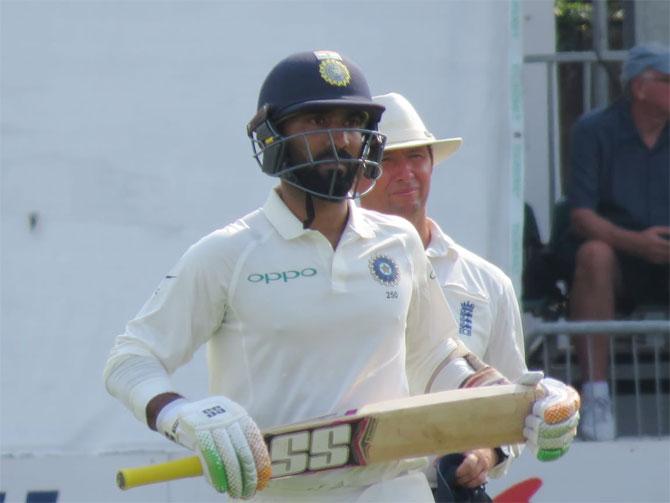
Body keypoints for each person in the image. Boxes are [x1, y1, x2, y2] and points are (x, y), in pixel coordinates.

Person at [103, 50, 579, 501]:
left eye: (351, 123)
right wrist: (183, 414)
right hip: (281, 492)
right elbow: (131, 360)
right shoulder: (229, 253)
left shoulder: (397, 241)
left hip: (396, 488)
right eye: (316, 122)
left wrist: (525, 402)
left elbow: (436, 359)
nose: (339, 139)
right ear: (272, 135)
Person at [359, 92, 527, 501]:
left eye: (416, 156)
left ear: (432, 163)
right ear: (358, 175)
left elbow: (515, 404)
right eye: (388, 161)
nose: (406, 172)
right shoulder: (336, 277)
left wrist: (487, 453)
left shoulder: (486, 282)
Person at [562, 43, 669, 442]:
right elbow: (581, 215)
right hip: (619, 258)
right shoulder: (594, 130)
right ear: (640, 87)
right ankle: (595, 395)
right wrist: (637, 243)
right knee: (593, 255)